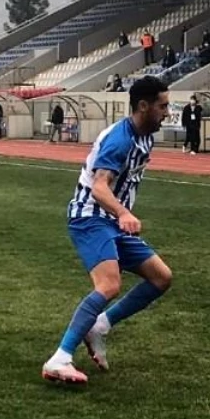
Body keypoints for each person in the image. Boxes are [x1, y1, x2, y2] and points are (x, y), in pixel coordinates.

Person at [42, 76, 173, 385]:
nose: (167, 112)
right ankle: (59, 358)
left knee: (161, 278)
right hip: (90, 217)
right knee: (109, 284)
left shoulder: (145, 136)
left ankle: (100, 325)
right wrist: (124, 212)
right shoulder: (120, 140)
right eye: (162, 106)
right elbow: (100, 188)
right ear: (143, 106)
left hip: (112, 222)